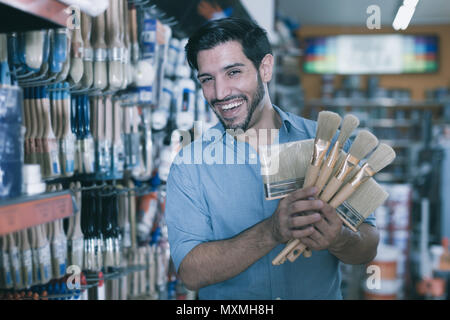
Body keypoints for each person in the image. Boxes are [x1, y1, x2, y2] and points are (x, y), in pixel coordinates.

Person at [165, 17, 379, 300]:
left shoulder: (328, 144)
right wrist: (272, 231)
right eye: (207, 79)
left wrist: (339, 237)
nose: (220, 93)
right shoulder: (189, 165)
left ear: (265, 67)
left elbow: (368, 247)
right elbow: (190, 272)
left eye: (233, 72)